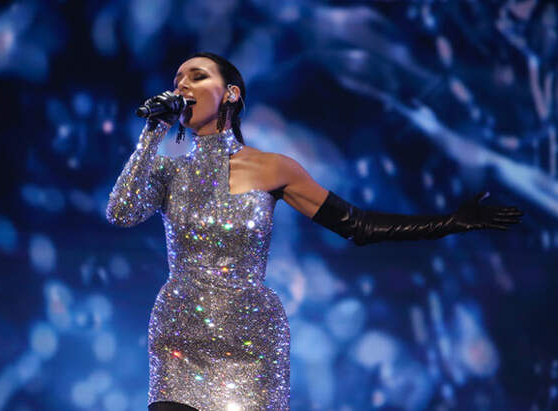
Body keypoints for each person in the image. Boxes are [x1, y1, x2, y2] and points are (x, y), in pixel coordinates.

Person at [106, 52, 524, 411]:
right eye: (177, 79)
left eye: (197, 76)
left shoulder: (274, 169)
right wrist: (153, 132)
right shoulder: (168, 168)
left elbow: (358, 226)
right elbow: (121, 212)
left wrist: (451, 222)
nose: (182, 85)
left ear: (231, 93)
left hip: (250, 341)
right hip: (180, 336)